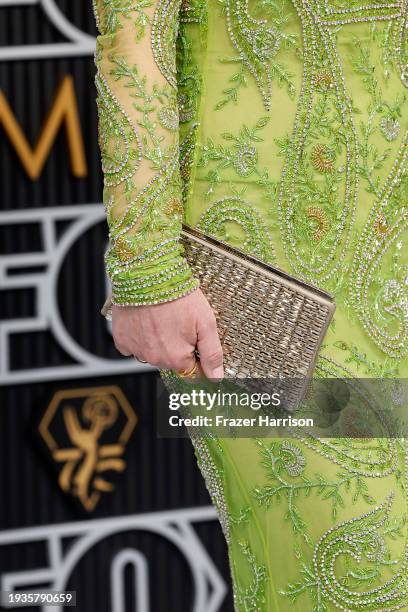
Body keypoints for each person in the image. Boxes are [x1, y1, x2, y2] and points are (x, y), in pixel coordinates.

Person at [92, 1, 408, 609]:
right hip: (257, 279)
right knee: (355, 574)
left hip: (390, 239)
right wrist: (147, 266)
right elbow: (134, 25)